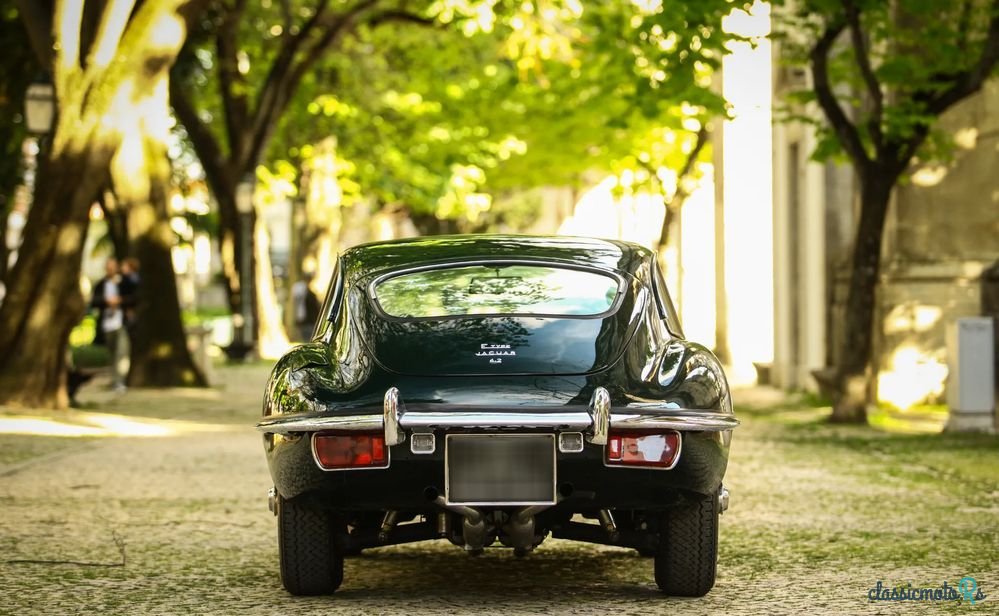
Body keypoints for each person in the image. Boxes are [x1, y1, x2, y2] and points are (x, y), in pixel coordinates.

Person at [90, 258, 128, 392]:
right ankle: (114, 380)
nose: (110, 269)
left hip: (121, 323)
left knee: (122, 352)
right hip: (107, 324)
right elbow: (94, 301)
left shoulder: (123, 283)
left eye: (113, 267)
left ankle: (120, 382)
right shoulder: (101, 284)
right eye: (108, 267)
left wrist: (120, 301)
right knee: (112, 353)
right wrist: (107, 302)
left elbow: (134, 297)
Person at [291, 272, 322, 342]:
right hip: (306, 321)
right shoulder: (302, 290)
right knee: (307, 339)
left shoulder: (310, 293)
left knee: (308, 339)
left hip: (308, 321)